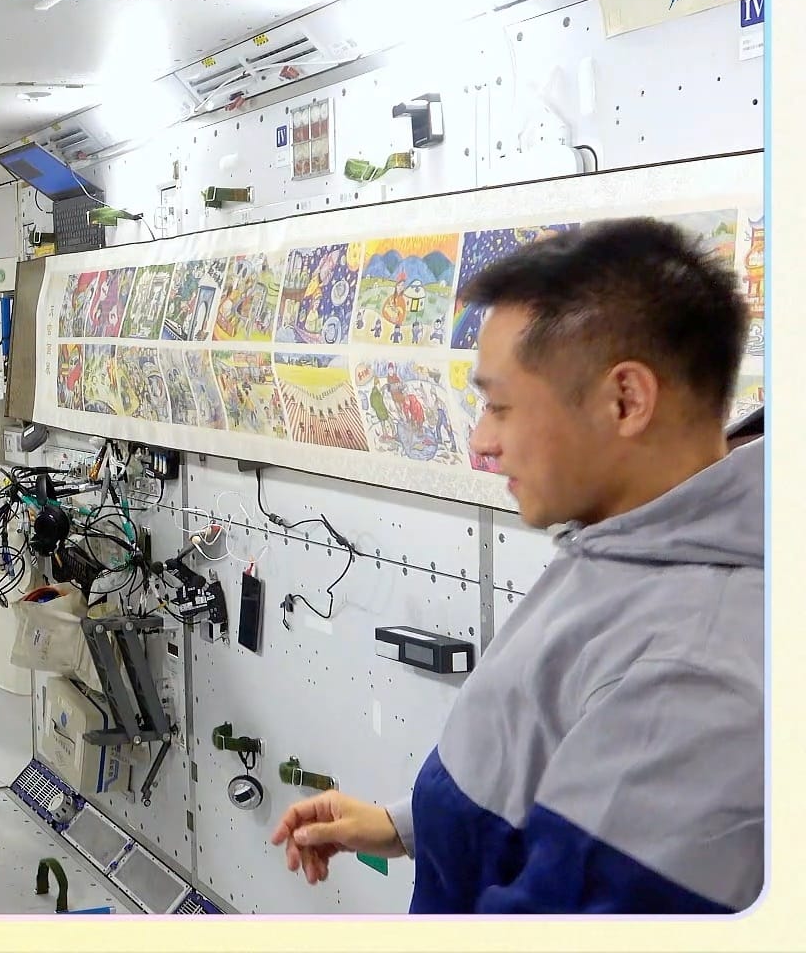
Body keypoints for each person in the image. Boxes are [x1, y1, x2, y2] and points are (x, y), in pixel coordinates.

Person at [270, 217, 764, 913]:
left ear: (626, 401)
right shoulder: (630, 540)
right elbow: (548, 753)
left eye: (500, 406)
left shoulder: (694, 670)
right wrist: (411, 826)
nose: (481, 441)